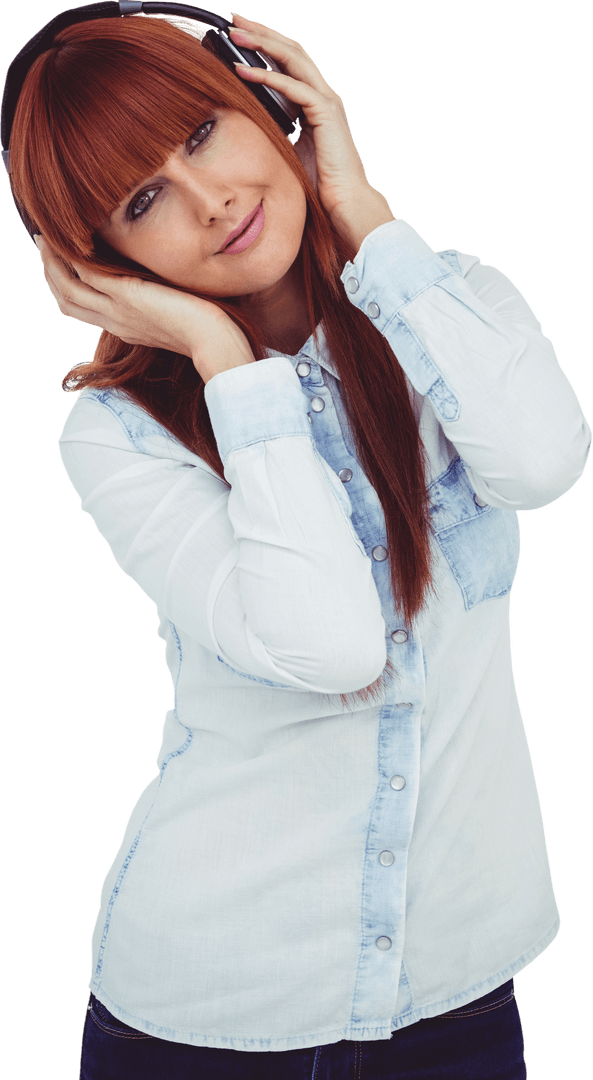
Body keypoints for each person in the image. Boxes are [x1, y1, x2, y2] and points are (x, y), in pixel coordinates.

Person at [2, 4, 590, 1078]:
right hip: (213, 1015)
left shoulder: (444, 306)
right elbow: (333, 650)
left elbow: (543, 463)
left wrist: (361, 213)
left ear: (266, 100)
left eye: (198, 135)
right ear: (106, 260)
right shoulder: (117, 437)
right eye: (143, 201)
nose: (209, 198)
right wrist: (220, 357)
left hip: (457, 996)